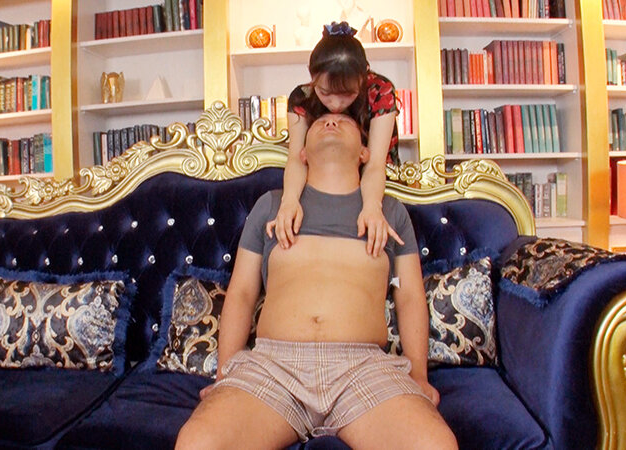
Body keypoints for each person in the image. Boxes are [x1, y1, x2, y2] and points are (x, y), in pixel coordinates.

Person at [174, 113, 458, 449]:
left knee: (436, 446)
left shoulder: (389, 212)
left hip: (364, 369)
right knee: (197, 444)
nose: (331, 123)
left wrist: (419, 376)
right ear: (303, 152)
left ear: (365, 152)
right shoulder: (272, 206)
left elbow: (408, 295)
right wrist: (225, 373)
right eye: (321, 121)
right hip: (273, 367)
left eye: (344, 121)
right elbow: (243, 293)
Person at [268, 21, 403, 260]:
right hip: (321, 182)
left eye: (347, 94)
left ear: (363, 76)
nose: (336, 105)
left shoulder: (379, 90)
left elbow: (375, 163)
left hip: (374, 179)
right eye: (326, 93)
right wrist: (289, 201)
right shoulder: (302, 97)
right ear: (312, 76)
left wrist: (372, 206)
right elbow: (297, 159)